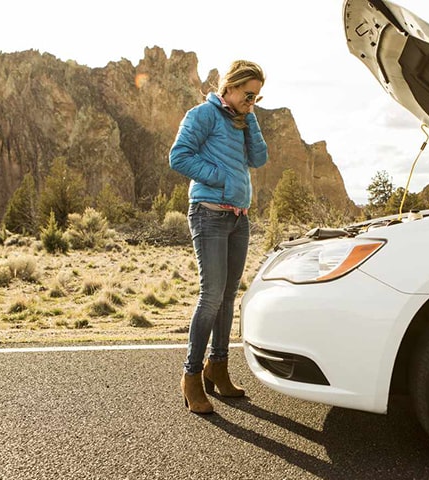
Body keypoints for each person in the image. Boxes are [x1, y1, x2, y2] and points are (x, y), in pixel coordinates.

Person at [169, 60, 268, 414]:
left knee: (228, 298)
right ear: (230, 86)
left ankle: (219, 367)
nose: (252, 100)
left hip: (238, 218)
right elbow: (178, 157)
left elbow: (259, 158)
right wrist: (221, 179)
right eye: (248, 94)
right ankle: (192, 375)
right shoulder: (202, 115)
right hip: (208, 213)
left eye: (257, 96)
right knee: (210, 296)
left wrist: (250, 117)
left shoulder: (244, 120)